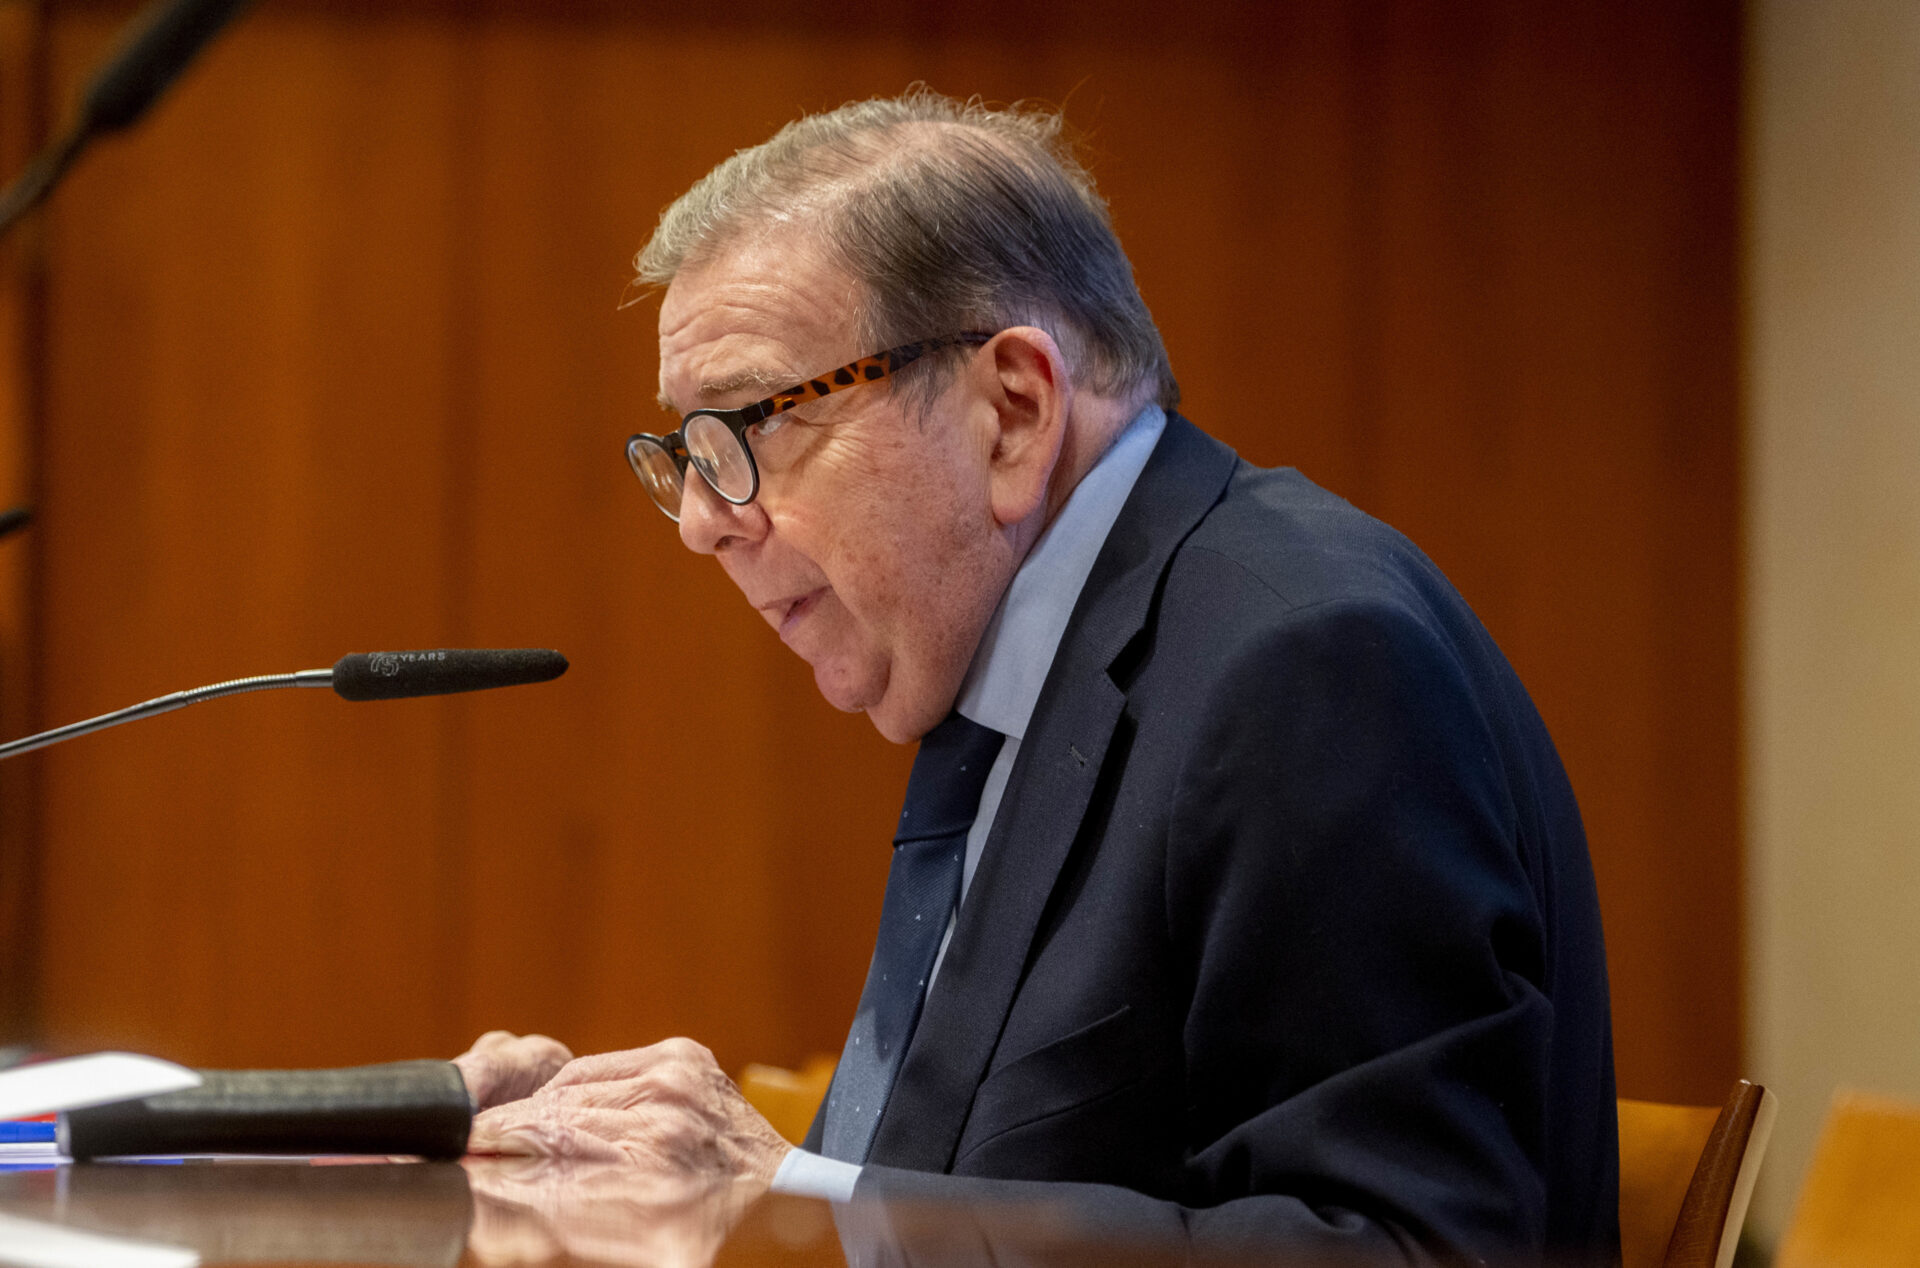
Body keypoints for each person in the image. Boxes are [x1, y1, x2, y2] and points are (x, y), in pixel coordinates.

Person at [454, 90, 1618, 1263]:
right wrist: (611, 1161)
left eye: (750, 426)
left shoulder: (1304, 665)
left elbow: (1410, 1244)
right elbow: (962, 1181)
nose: (703, 520)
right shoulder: (1026, 681)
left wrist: (797, 1195)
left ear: (1012, 411)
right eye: (688, 450)